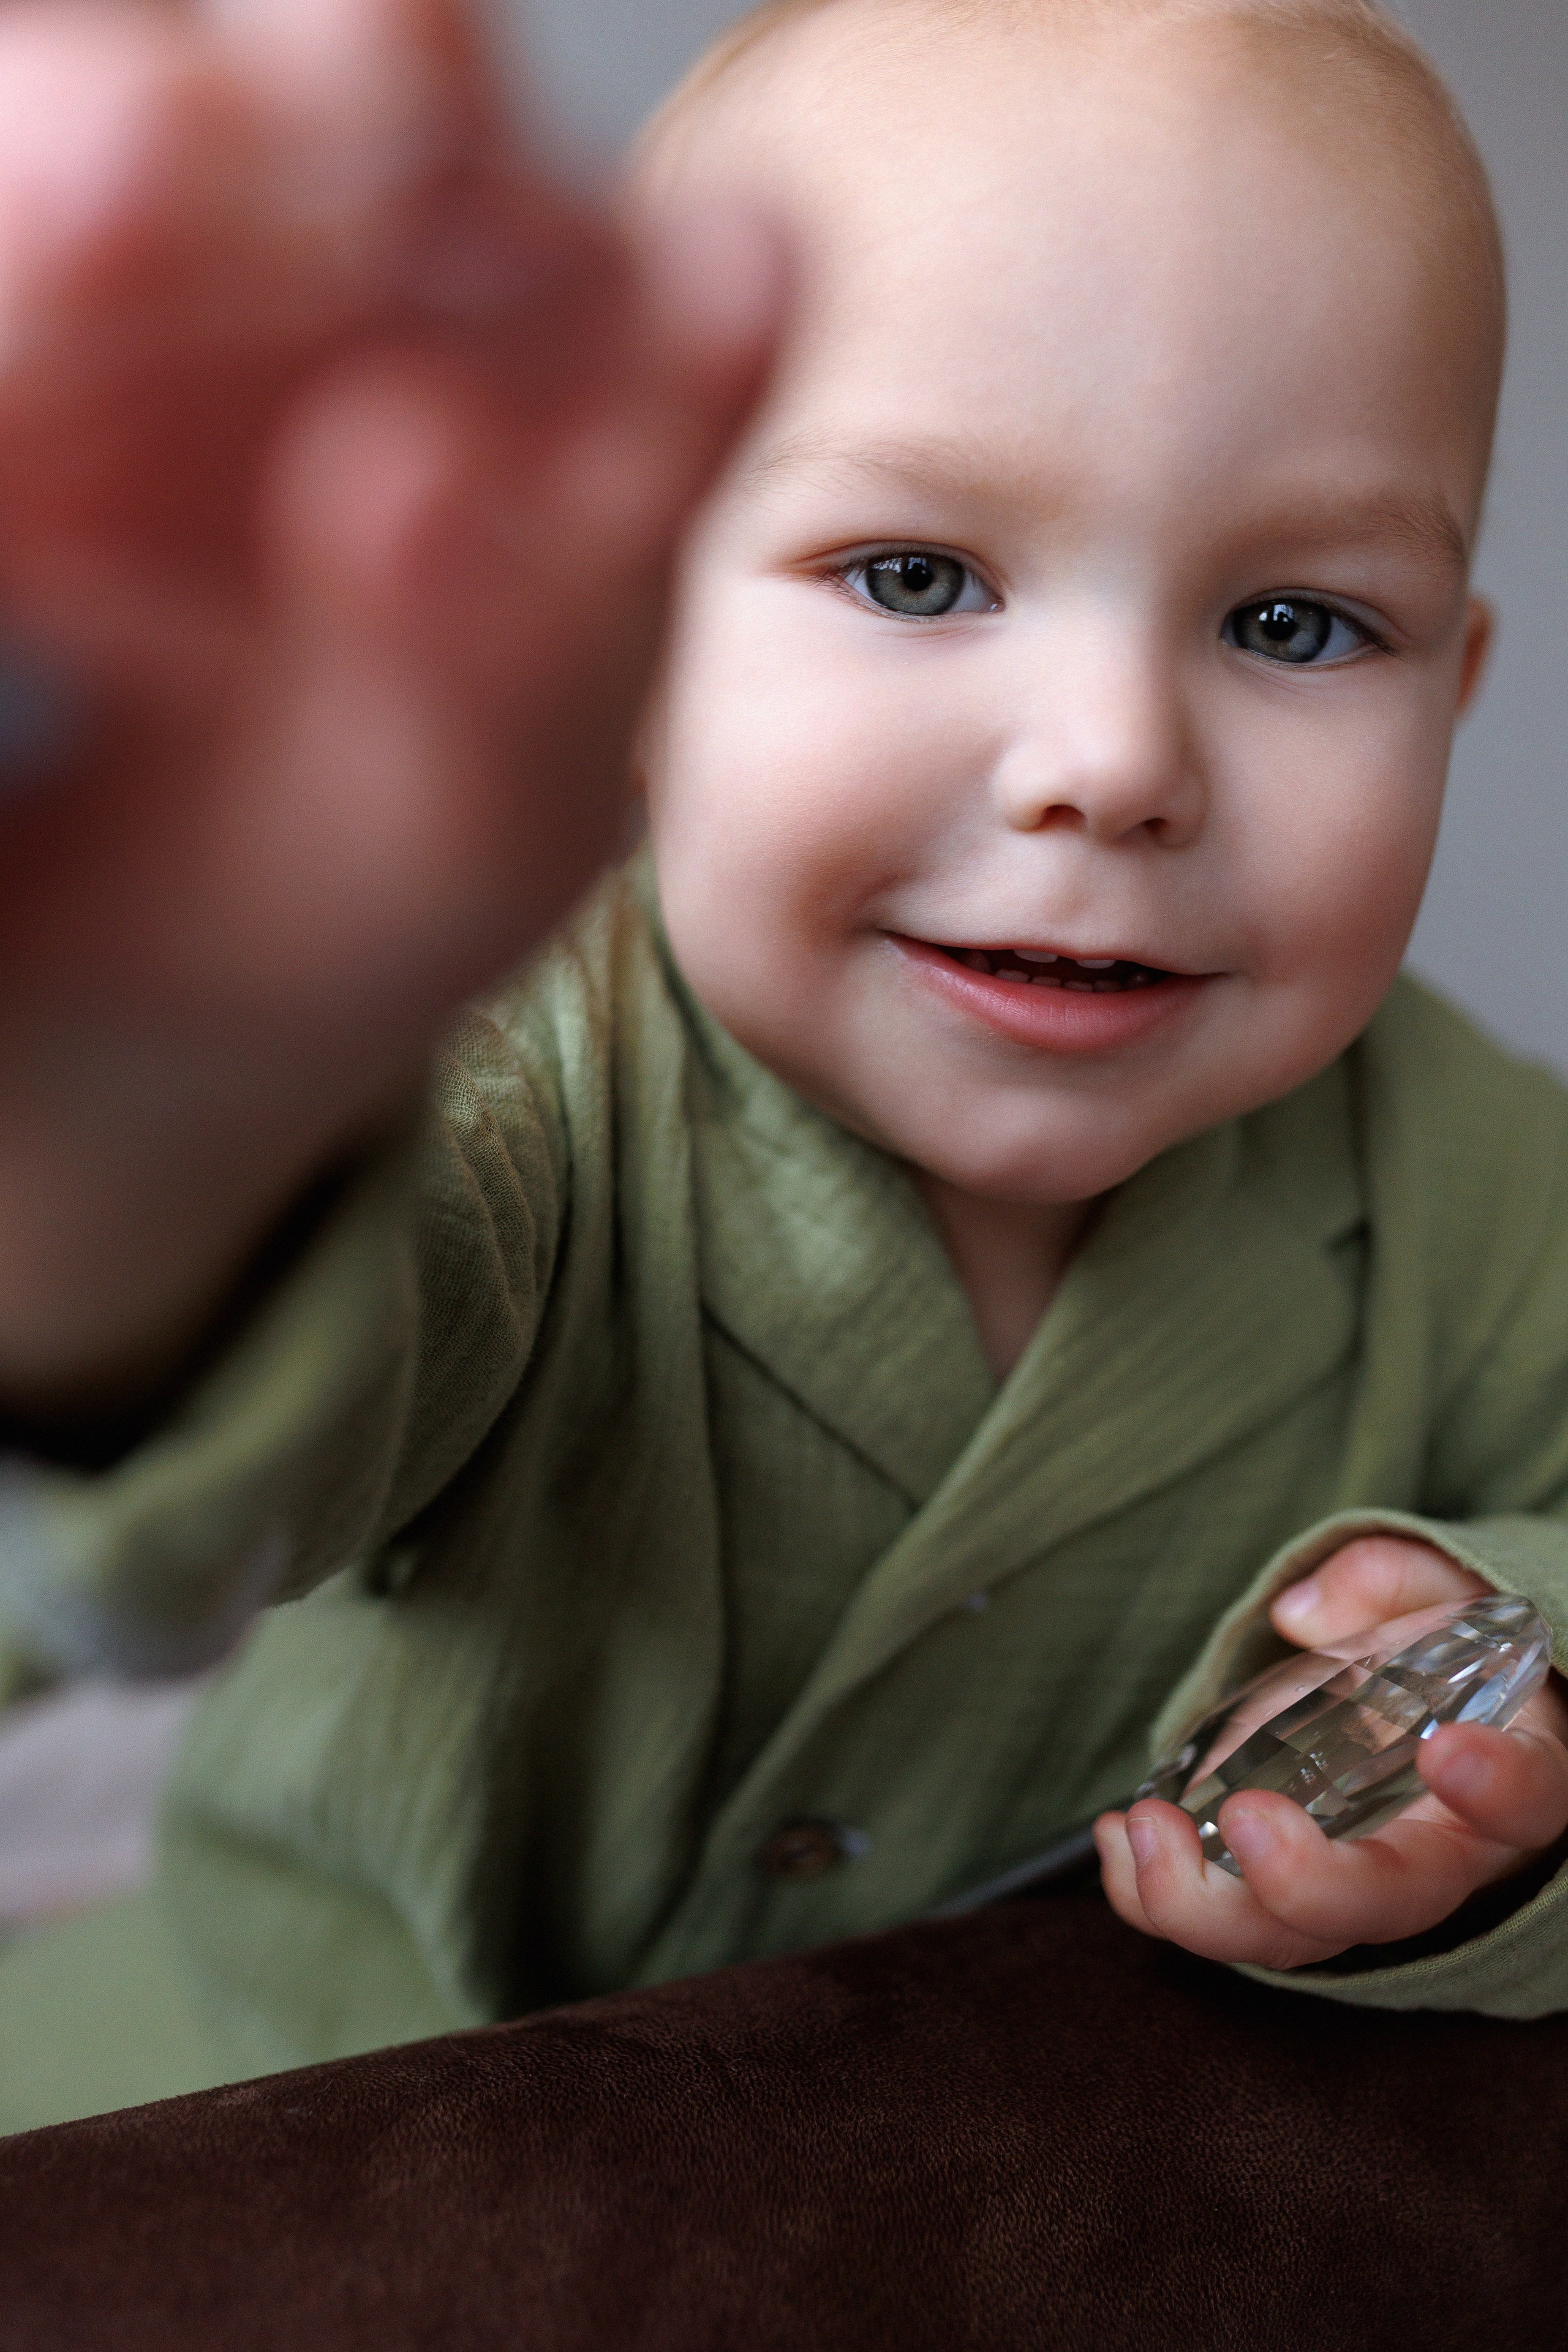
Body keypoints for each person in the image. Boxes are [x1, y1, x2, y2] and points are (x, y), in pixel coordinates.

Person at [2, 0, 1567, 2137]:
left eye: (1298, 624)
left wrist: (1513, 1708)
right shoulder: (514, 1097)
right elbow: (192, 1486)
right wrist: (160, 1123)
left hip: (989, 2201)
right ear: (625, 630)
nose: (1114, 760)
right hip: (303, 2152)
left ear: (1454, 686)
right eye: (916, 575)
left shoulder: (1483, 1188)